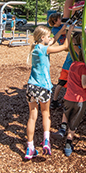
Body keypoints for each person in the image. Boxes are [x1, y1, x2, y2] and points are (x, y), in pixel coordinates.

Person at [25, 24, 74, 159]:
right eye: (48, 36)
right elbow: (65, 47)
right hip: (43, 87)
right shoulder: (45, 50)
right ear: (42, 38)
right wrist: (69, 33)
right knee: (46, 114)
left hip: (31, 86)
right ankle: (46, 141)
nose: (50, 38)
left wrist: (62, 30)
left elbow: (52, 40)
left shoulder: (36, 48)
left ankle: (30, 147)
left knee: (32, 117)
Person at [52, 49, 86, 157]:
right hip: (79, 100)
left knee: (66, 111)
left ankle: (63, 127)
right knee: (74, 123)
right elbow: (84, 84)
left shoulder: (73, 64)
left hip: (68, 97)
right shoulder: (85, 68)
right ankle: (68, 144)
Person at [48, 12, 74, 109]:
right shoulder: (55, 29)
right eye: (59, 18)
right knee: (62, 82)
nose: (61, 19)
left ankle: (59, 100)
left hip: (69, 46)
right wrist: (70, 27)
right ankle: (55, 101)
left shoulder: (61, 25)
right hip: (64, 44)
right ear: (55, 21)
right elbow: (64, 32)